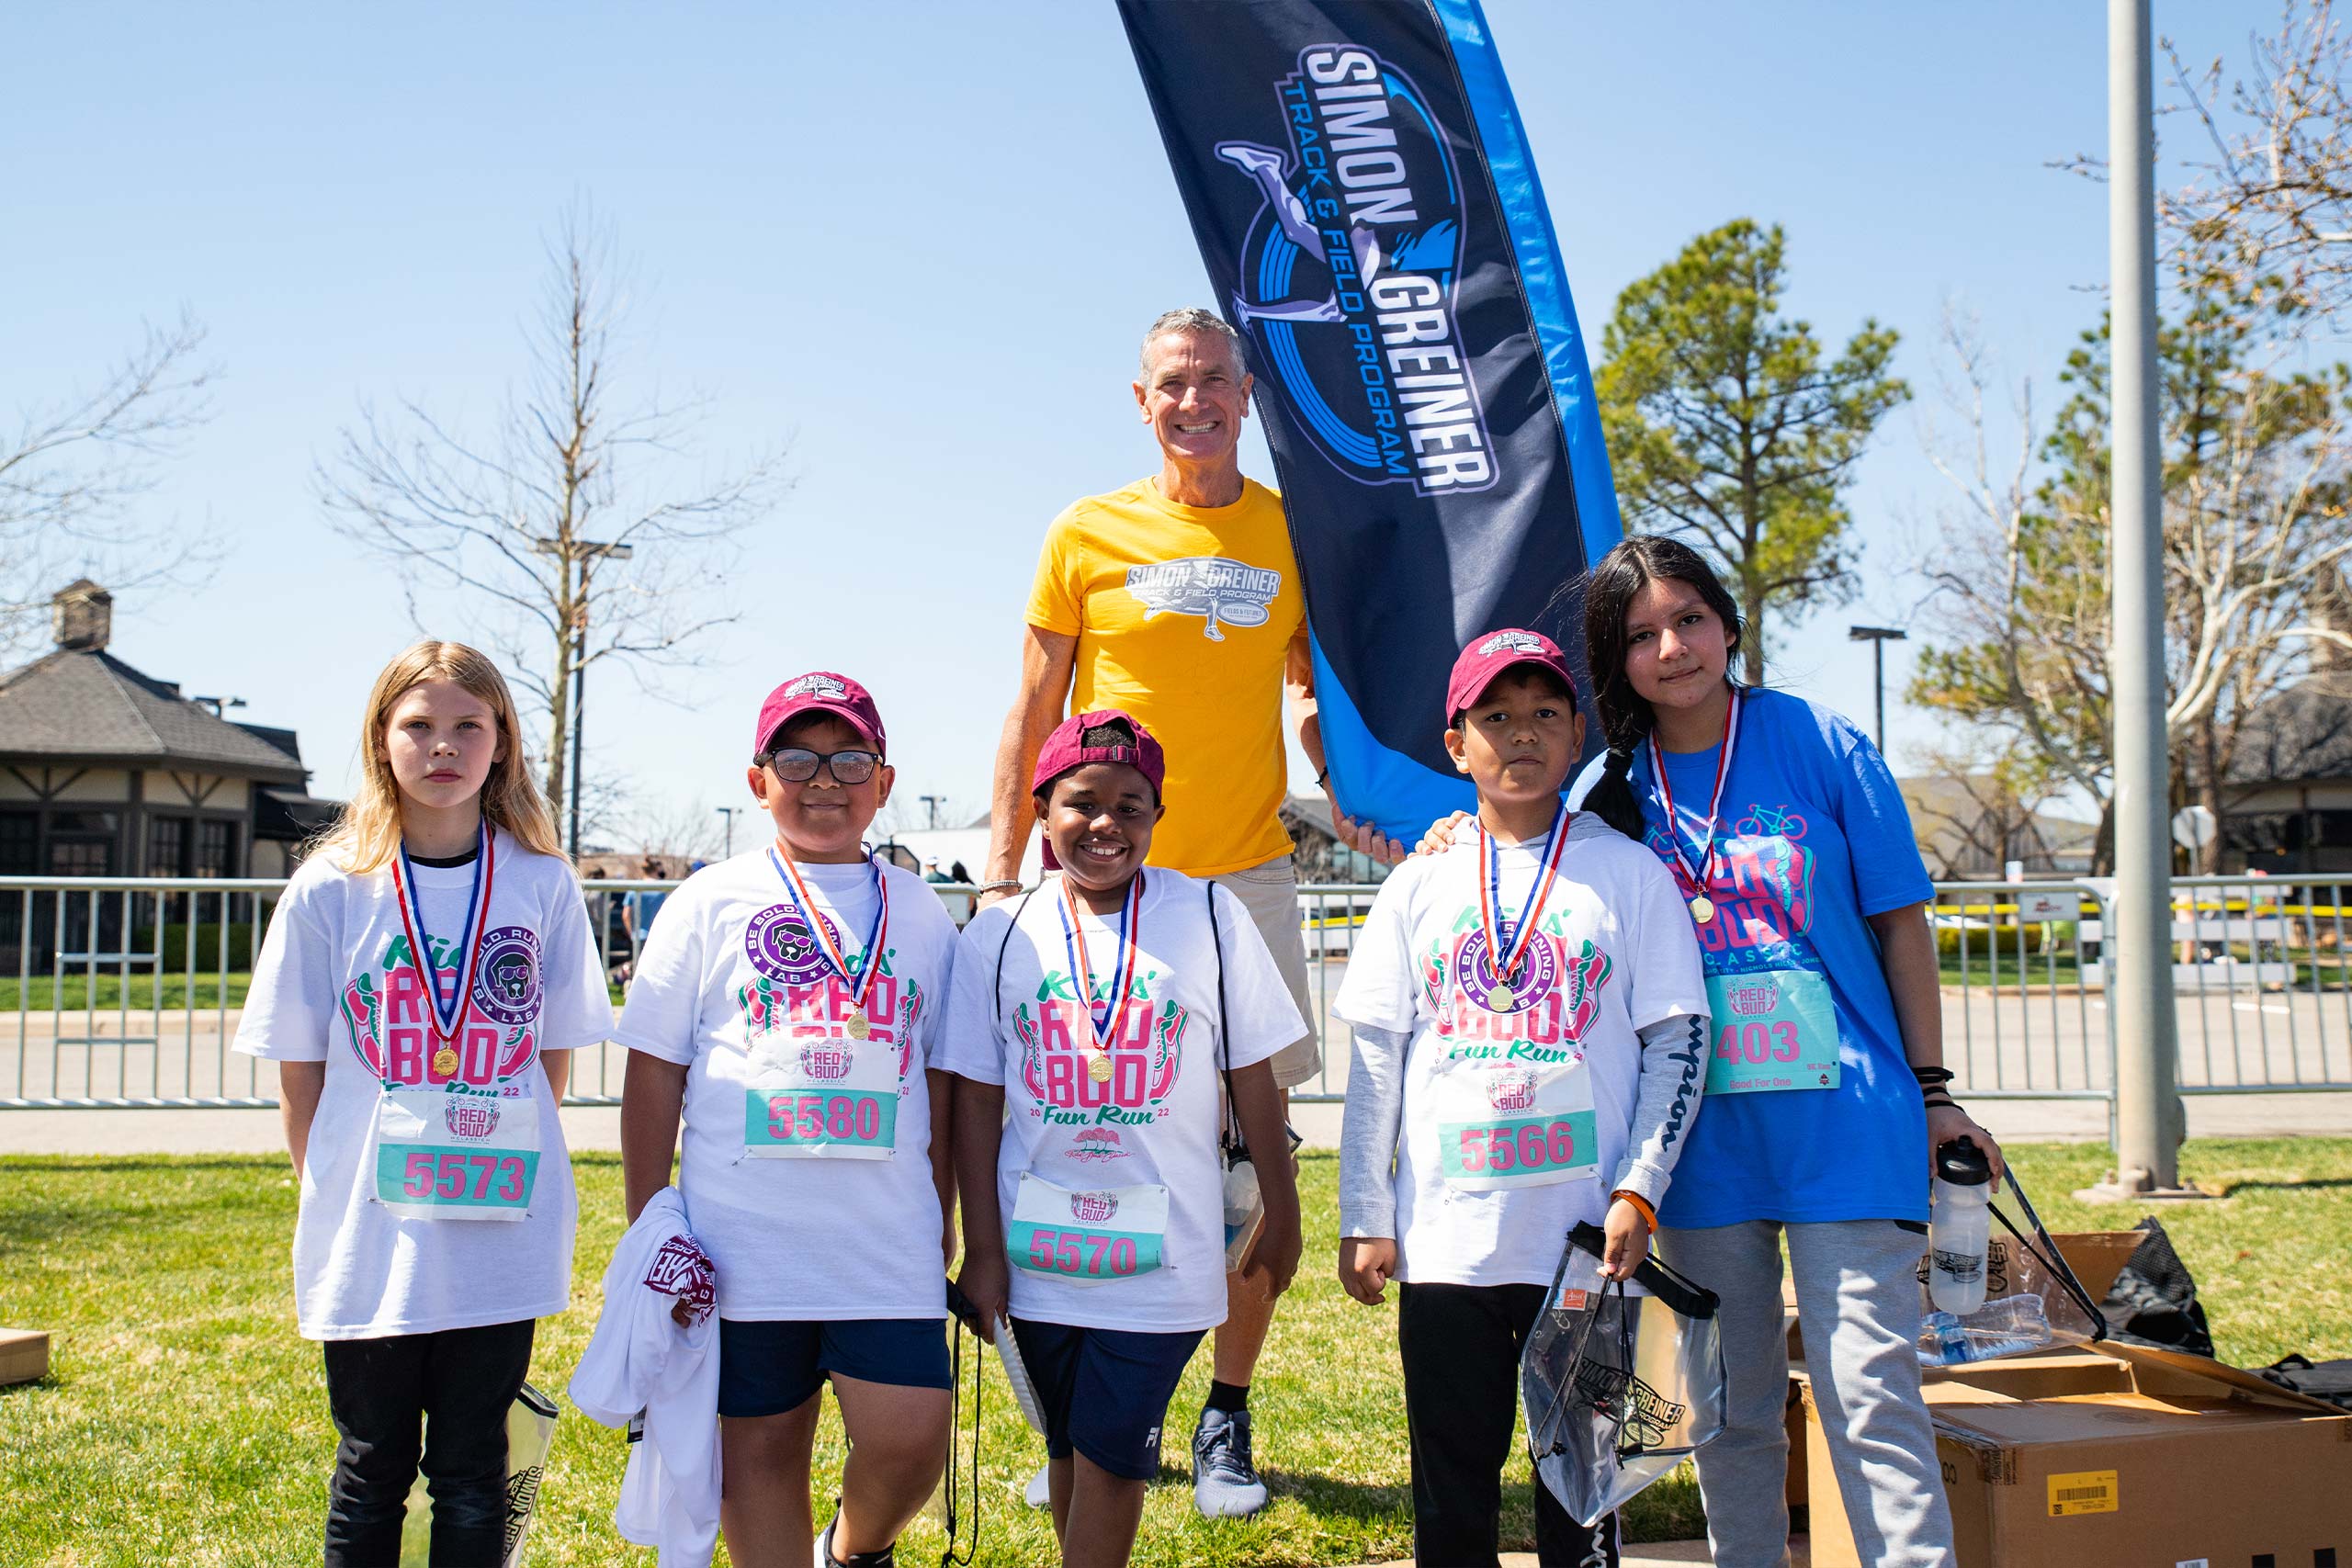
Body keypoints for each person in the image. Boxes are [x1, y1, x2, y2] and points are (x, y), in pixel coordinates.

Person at [981, 305, 1399, 1516]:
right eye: (1174, 382)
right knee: (1089, 1141)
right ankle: (1098, 1417)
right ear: (1142, 398)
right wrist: (1007, 875)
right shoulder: (1085, 532)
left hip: (1245, 884)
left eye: (1217, 379)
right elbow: (1031, 711)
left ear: (1248, 393)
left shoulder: (1289, 531)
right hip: (1102, 889)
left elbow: (1317, 699)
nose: (1195, 399)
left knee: (1241, 1172)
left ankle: (1226, 1407)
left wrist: (1360, 796)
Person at [1569, 536, 2007, 1568]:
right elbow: (1529, 864)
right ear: (1616, 659)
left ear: (1728, 626)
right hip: (1701, 1147)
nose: (1671, 648)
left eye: (1688, 620)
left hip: (1847, 1126)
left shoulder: (1820, 741)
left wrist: (1936, 1091)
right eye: (1641, 635)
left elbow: (1902, 924)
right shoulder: (1609, 785)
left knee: (1871, 1397)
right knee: (1729, 1411)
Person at [1334, 629, 1706, 1568]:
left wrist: (1639, 1188)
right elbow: (1376, 1061)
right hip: (1447, 1247)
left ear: (1578, 732)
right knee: (1450, 1493)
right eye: (1494, 717)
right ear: (1455, 744)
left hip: (1581, 1242)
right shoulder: (1418, 884)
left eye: (1544, 713)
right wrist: (1364, 1215)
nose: (1522, 735)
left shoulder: (1626, 873)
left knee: (1579, 1501)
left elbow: (1678, 1040)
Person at [233, 639, 610, 1566]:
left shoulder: (539, 881)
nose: (443, 745)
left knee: (475, 1466)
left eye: (466, 727)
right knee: (372, 1465)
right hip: (373, 1226)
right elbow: (298, 1069)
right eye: (419, 725)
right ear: (380, 740)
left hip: (495, 1219)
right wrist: (326, 1180)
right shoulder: (333, 887)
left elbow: (549, 1058)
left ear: (501, 744)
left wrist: (489, 1131)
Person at [615, 671, 962, 1568]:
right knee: (757, 1459)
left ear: (884, 783)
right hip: (741, 1246)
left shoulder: (922, 913)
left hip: (883, 1240)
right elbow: (653, 1070)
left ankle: (849, 1551)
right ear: (756, 779)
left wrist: (949, 1215)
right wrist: (650, 1217)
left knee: (910, 1440)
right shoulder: (707, 902)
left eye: (849, 760)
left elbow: (947, 1083)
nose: (823, 781)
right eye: (797, 759)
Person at [944, 710, 1303, 1567]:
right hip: (1039, 1255)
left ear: (1157, 814)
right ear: (1041, 810)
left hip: (1162, 1255)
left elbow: (1253, 1071)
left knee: (1111, 1459)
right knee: (1071, 1445)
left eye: (1132, 806)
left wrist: (1282, 1211)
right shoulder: (999, 934)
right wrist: (983, 1250)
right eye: (1082, 802)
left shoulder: (1208, 913)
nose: (1106, 824)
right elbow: (974, 1101)